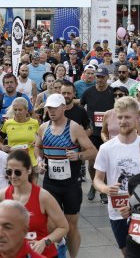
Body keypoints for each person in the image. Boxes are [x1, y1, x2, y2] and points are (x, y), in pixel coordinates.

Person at [35, 93, 97, 258]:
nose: (52, 111)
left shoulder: (74, 127)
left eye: (55, 107)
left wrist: (78, 156)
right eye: (49, 108)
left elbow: (92, 151)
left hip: (70, 184)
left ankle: (73, 256)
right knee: (49, 224)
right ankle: (59, 247)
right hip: (50, 183)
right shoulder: (43, 127)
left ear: (63, 107)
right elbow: (38, 147)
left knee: (70, 225)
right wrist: (39, 160)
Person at [93, 96, 140, 256]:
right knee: (126, 251)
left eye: (127, 117)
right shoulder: (106, 148)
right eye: (120, 117)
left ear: (136, 118)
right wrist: (105, 189)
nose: (123, 121)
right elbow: (97, 179)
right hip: (117, 207)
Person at [0, 150, 69, 257]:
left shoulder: (43, 196)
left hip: (43, 254)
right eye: (9, 172)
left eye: (17, 172)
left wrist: (45, 241)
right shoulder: (3, 195)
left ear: (29, 170)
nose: (12, 176)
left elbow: (63, 227)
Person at [80, 67, 115, 202]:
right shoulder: (89, 92)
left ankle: (102, 189)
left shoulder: (112, 92)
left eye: (102, 77)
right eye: (98, 76)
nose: (100, 79)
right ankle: (94, 185)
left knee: (106, 163)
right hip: (93, 133)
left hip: (107, 133)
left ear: (107, 78)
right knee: (92, 163)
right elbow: (81, 106)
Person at [0, 97, 39, 179]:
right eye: (15, 109)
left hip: (32, 162)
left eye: (20, 110)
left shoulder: (34, 123)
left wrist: (37, 143)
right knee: (16, 190)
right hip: (14, 163)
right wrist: (2, 146)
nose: (17, 112)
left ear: (26, 110)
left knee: (34, 190)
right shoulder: (7, 123)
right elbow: (0, 140)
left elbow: (42, 140)